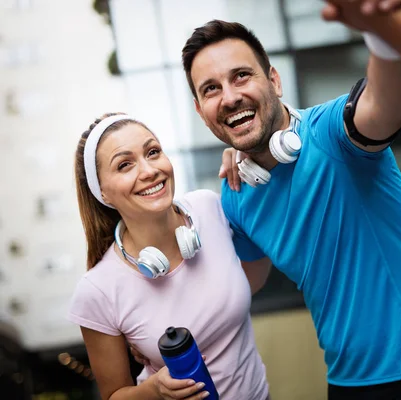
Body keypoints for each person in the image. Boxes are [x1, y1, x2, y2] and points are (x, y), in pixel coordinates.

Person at [137, 1, 401, 399]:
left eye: (241, 76)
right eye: (211, 89)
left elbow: (390, 103)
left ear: (274, 81)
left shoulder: (334, 133)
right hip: (347, 381)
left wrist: (380, 33)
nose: (229, 98)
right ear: (201, 111)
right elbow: (242, 285)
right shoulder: (236, 196)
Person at [67, 113, 271, 400]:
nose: (149, 170)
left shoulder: (209, 207)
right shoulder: (97, 290)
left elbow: (252, 280)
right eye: (125, 165)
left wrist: (254, 179)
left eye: (153, 152)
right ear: (102, 192)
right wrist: (154, 389)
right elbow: (114, 395)